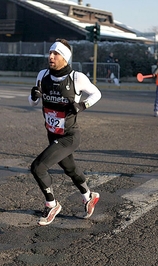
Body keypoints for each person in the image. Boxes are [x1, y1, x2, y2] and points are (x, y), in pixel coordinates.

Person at [28, 38, 102, 226]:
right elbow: (33, 102)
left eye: (56, 54)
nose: (51, 56)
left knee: (38, 167)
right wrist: (33, 95)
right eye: (50, 53)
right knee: (70, 168)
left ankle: (51, 204)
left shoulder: (77, 78)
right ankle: (88, 196)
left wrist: (82, 105)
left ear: (65, 58)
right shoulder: (42, 75)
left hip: (69, 136)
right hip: (52, 134)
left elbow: (97, 93)